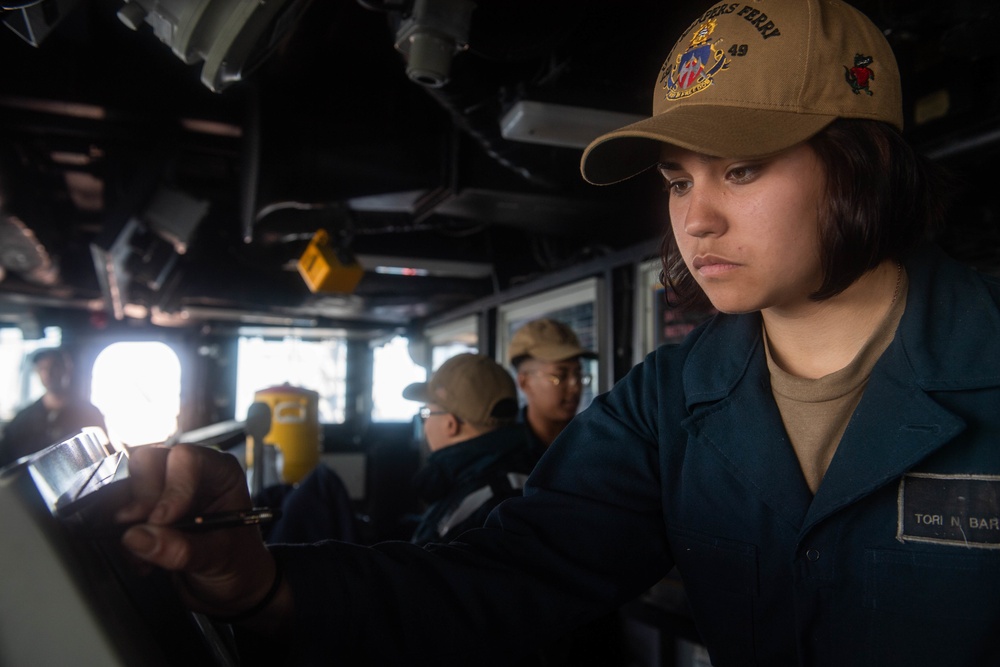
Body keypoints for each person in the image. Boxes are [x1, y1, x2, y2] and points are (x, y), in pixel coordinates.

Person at [112, 1, 1000, 665]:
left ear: (866, 164)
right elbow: (510, 573)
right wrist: (268, 582)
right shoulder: (670, 401)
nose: (697, 219)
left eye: (740, 168)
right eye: (678, 179)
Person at [403, 352, 534, 545]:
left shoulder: (482, 501)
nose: (425, 423)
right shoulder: (518, 479)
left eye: (427, 413)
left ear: (450, 424)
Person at [508, 318, 597, 463]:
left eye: (578, 374)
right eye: (560, 376)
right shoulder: (505, 454)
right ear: (525, 383)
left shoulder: (595, 442)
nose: (575, 386)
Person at [0, 347, 107, 467]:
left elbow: (105, 453)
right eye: (42, 368)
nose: (48, 374)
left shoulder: (89, 413)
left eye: (54, 367)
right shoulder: (23, 420)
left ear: (67, 369)